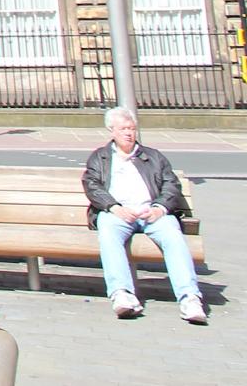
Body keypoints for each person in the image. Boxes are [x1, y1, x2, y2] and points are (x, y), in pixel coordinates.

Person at [82, 107, 207, 323]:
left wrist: (160, 207)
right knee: (109, 235)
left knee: (173, 237)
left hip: (152, 213)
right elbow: (92, 185)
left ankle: (190, 298)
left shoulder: (153, 157)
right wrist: (114, 207)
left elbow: (170, 184)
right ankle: (122, 294)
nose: (129, 133)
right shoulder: (100, 158)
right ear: (111, 131)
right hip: (117, 214)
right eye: (123, 129)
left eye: (132, 128)